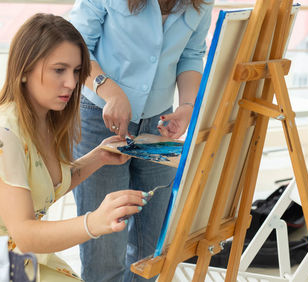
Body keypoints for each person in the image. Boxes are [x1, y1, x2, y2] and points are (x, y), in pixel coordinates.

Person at [0, 13, 147, 281]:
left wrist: (97, 157)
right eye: (59, 70)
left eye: (76, 71)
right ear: (24, 70)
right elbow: (25, 233)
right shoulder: (2, 134)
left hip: (13, 253)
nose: (72, 82)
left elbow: (42, 189)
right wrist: (94, 222)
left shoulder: (44, 119)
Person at [70, 0, 213, 280]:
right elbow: (76, 46)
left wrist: (186, 105)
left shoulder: (201, 2)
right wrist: (110, 91)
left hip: (159, 122)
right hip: (99, 115)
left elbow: (192, 54)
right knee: (106, 243)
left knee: (151, 246)